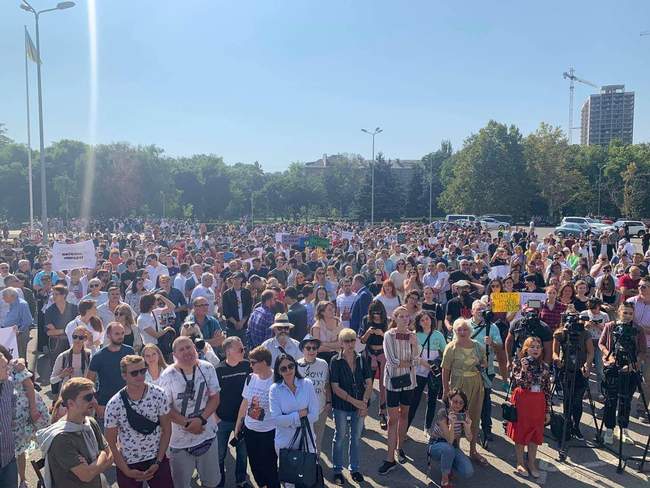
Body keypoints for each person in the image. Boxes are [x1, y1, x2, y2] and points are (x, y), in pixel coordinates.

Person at [159, 336, 221, 488]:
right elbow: (165, 409)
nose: (187, 351)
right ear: (174, 355)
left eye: (189, 347)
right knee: (181, 484)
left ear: (195, 348)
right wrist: (188, 423)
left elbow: (215, 398)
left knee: (212, 482)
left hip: (207, 434)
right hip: (180, 441)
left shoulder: (207, 368)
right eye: (181, 349)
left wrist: (201, 420)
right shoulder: (167, 375)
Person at [104, 355, 173, 487]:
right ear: (124, 376)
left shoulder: (159, 394)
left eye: (143, 370)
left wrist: (158, 462)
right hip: (129, 462)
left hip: (156, 457)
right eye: (134, 373)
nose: (140, 375)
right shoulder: (114, 404)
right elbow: (111, 442)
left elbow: (167, 430)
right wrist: (126, 471)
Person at [36, 377, 113, 488]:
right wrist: (102, 455)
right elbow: (86, 476)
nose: (94, 401)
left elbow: (110, 458)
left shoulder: (90, 423)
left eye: (94, 396)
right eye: (88, 397)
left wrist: (93, 465)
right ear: (71, 404)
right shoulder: (61, 438)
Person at [0, 345, 49, 488]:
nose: (6, 369)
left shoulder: (11, 376)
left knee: (19, 449)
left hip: (19, 419)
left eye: (5, 365)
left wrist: (32, 410)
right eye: (3, 367)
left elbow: (29, 387)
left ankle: (22, 479)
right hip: (10, 424)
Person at [441, 318, 488, 466]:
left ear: (470, 330)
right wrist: (445, 389)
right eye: (459, 329)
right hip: (458, 385)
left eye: (465, 329)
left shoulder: (478, 346)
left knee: (473, 416)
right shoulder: (451, 347)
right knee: (456, 417)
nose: (462, 332)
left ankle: (473, 450)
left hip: (475, 384)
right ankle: (455, 449)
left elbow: (485, 362)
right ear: (455, 331)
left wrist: (482, 364)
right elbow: (445, 369)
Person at [598, 302, 647, 444]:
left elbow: (643, 350)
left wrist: (634, 364)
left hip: (631, 369)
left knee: (626, 401)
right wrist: (609, 356)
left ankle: (623, 429)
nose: (627, 316)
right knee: (611, 400)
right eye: (625, 313)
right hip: (613, 367)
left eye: (630, 313)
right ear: (619, 312)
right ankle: (609, 429)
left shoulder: (638, 329)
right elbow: (601, 343)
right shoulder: (610, 326)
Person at [329, 328, 373, 485]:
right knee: (339, 437)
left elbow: (369, 382)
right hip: (341, 405)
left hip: (359, 405)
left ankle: (354, 469)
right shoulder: (335, 361)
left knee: (355, 437)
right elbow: (335, 387)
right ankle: (337, 470)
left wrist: (365, 401)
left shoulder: (362, 359)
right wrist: (357, 402)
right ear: (341, 343)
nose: (350, 343)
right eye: (346, 341)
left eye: (353, 340)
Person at [379, 306, 419, 474]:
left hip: (409, 382)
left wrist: (414, 345)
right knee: (392, 420)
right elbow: (392, 360)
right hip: (393, 382)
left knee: (405, 415)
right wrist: (411, 362)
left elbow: (417, 358)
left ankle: (399, 447)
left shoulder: (413, 335)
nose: (404, 319)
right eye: (400, 316)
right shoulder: (389, 335)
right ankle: (390, 458)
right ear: (395, 318)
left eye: (406, 316)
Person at [233, 346, 280, 488]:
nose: (250, 365)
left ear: (264, 362)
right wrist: (238, 425)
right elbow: (245, 402)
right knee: (255, 464)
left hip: (269, 431)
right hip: (250, 430)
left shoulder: (276, 380)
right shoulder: (250, 378)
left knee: (270, 465)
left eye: (253, 362)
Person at [269, 353, 319, 479]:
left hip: (307, 440)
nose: (288, 370)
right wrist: (299, 415)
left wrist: (288, 418)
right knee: (290, 480)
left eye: (291, 366)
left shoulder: (307, 384)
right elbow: (276, 419)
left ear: (295, 366)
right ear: (279, 372)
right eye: (283, 368)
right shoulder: (274, 389)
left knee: (308, 478)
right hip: (285, 442)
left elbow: (315, 415)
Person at [507, 337, 552, 478]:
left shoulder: (545, 366)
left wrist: (547, 410)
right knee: (521, 432)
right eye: (532, 347)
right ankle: (520, 462)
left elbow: (547, 389)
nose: (536, 349)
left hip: (538, 402)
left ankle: (531, 463)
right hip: (523, 400)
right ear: (526, 349)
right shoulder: (518, 364)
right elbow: (518, 382)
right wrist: (525, 369)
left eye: (538, 346)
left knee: (535, 433)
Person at [214, 337, 251, 488]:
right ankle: (218, 481)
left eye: (244, 349)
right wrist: (215, 417)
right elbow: (211, 395)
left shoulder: (247, 366)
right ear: (229, 351)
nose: (244, 352)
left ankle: (241, 480)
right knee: (219, 454)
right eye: (240, 349)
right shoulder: (218, 370)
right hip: (222, 420)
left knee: (243, 454)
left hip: (242, 420)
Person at [552, 312, 594, 439]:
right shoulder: (560, 334)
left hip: (580, 371)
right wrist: (557, 359)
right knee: (567, 399)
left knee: (577, 400)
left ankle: (576, 426)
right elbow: (554, 352)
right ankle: (567, 424)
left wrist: (587, 365)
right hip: (566, 370)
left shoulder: (585, 333)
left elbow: (590, 352)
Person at [86, 322, 135, 421]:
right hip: (105, 404)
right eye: (117, 334)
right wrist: (97, 405)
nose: (121, 336)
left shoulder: (130, 352)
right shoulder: (98, 356)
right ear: (108, 335)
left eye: (122, 333)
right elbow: (88, 383)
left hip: (128, 402)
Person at [427, 389, 475, 488]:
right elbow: (449, 440)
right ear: (449, 400)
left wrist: (467, 427)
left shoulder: (464, 415)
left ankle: (447, 465)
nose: (457, 405)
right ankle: (445, 480)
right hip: (436, 445)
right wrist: (452, 424)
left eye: (461, 403)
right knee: (448, 449)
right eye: (455, 401)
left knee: (468, 471)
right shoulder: (443, 413)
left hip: (452, 447)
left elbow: (470, 439)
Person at [408, 310, 446, 431]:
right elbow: (411, 354)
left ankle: (428, 427)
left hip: (433, 373)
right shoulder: (414, 335)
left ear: (431, 320)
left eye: (427, 319)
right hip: (418, 372)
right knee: (414, 401)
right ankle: (405, 428)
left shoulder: (438, 335)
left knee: (432, 400)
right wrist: (426, 364)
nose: (425, 322)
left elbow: (445, 352)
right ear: (418, 322)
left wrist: (435, 366)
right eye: (422, 320)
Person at [296, 334, 331, 454]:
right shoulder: (296, 365)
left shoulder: (323, 364)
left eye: (314, 348)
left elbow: (327, 384)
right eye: (308, 348)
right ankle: (302, 467)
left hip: (320, 409)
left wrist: (328, 402)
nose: (311, 350)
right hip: (302, 411)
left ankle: (314, 467)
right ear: (302, 350)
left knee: (317, 441)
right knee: (302, 440)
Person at [359, 299, 389, 429]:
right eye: (374, 312)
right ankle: (362, 416)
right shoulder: (366, 320)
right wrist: (368, 332)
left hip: (382, 353)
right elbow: (362, 340)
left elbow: (390, 340)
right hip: (369, 353)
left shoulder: (386, 321)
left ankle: (382, 414)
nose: (376, 315)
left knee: (383, 385)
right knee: (367, 385)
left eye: (378, 312)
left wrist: (382, 334)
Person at [44, 285, 78, 367]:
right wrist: (67, 330)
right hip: (56, 344)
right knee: (57, 368)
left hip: (72, 342)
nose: (53, 297)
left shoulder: (74, 308)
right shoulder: (49, 310)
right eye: (53, 294)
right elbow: (49, 332)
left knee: (72, 366)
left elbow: (77, 327)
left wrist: (58, 330)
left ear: (64, 295)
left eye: (56, 294)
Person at [50, 325, 92, 392]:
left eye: (81, 337)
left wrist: (91, 344)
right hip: (68, 394)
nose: (77, 340)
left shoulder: (90, 355)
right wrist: (62, 375)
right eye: (74, 337)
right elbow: (52, 380)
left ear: (85, 339)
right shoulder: (63, 356)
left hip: (84, 393)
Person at [0, 348, 17, 487]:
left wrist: (12, 419)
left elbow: (12, 401)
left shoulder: (9, 383)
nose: (8, 369)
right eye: (4, 366)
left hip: (8, 454)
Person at [1, 288, 32, 360]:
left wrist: (19, 330)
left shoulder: (22, 304)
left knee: (20, 356)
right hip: (12, 334)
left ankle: (22, 370)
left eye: (4, 296)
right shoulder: (12, 304)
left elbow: (28, 321)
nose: (3, 298)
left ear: (12, 296)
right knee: (13, 355)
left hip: (20, 335)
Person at [221, 272, 253, 341]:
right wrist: (236, 323)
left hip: (244, 325)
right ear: (231, 280)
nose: (236, 280)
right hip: (231, 326)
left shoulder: (247, 292)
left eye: (238, 278)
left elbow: (248, 308)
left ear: (242, 279)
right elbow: (226, 311)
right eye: (234, 278)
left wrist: (242, 322)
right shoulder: (226, 294)